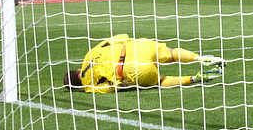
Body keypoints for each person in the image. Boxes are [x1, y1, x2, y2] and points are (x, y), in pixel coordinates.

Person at [63, 34, 225, 93]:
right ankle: (199, 58)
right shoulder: (89, 54)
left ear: (78, 87)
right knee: (171, 53)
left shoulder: (88, 86)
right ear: (77, 69)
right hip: (134, 47)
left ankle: (193, 79)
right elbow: (119, 37)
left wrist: (120, 83)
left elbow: (109, 88)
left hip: (129, 69)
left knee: (159, 81)